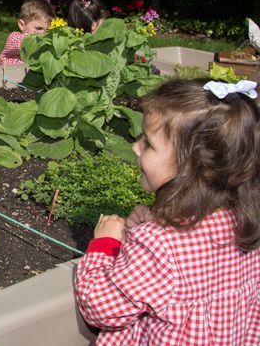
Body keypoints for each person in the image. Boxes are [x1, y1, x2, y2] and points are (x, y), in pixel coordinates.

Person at [74, 78, 260, 345]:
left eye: (148, 143)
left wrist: (105, 244)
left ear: (190, 167)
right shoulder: (244, 220)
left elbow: (100, 308)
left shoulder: (158, 245)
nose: (135, 147)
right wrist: (154, 224)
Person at [0, 0, 53, 66]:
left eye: (47, 30)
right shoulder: (14, 38)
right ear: (22, 25)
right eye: (38, 28)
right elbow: (26, 44)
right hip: (6, 74)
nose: (43, 33)